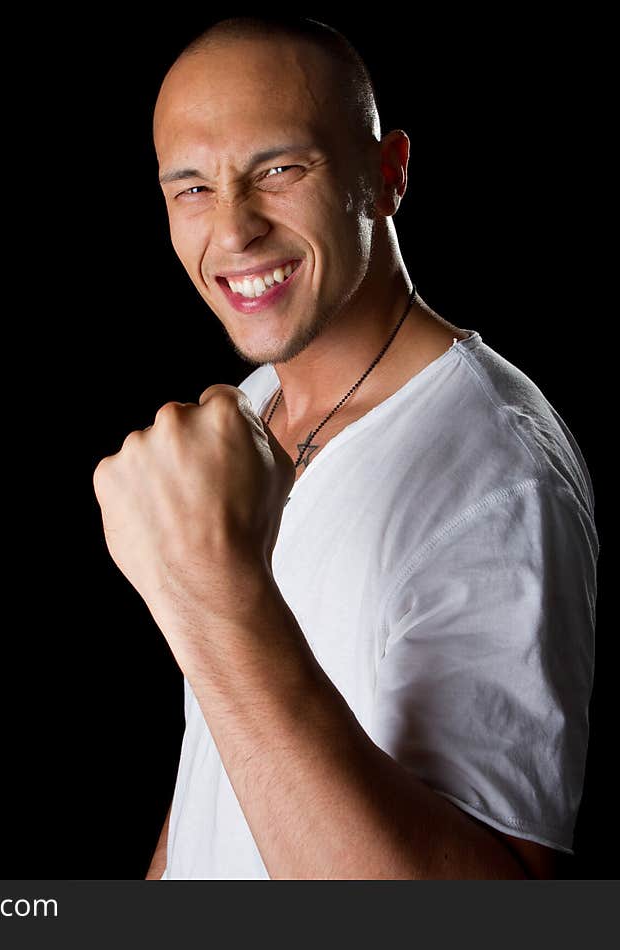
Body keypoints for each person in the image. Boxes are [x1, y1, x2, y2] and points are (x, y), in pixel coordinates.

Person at [92, 15, 598, 879]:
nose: (235, 229)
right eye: (192, 190)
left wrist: (212, 599)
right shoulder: (253, 409)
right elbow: (224, 762)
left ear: (388, 174)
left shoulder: (495, 474)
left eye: (280, 170)